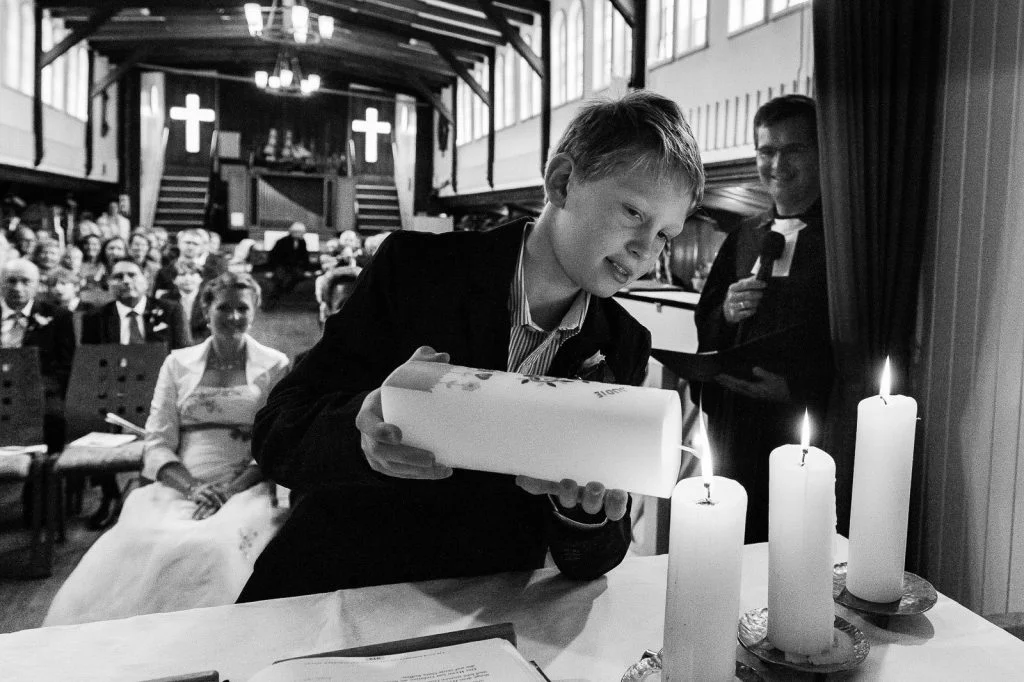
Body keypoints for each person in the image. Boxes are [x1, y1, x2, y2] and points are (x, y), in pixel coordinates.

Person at [237, 91, 705, 601]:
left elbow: (594, 558)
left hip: (487, 611)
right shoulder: (419, 270)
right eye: (634, 213)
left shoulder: (622, 342)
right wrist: (362, 433)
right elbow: (278, 432)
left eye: (665, 235)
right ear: (563, 182)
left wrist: (580, 512)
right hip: (344, 584)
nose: (645, 251)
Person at [44, 273, 291, 626]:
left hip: (246, 483)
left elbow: (275, 441)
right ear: (207, 310)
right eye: (224, 307)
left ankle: (210, 635)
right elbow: (158, 440)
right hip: (182, 482)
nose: (234, 317)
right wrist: (194, 488)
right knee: (144, 539)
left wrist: (230, 488)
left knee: (216, 546)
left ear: (255, 312)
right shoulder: (178, 363)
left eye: (242, 308)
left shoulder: (274, 364)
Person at [693, 95, 834, 543]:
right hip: (736, 422)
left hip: (798, 424)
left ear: (821, 152)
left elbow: (855, 340)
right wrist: (726, 312)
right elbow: (708, 318)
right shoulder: (745, 234)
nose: (777, 163)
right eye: (766, 151)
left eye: (793, 150)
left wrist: (795, 389)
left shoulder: (841, 238)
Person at [81, 258, 190, 529]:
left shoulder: (170, 311)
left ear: (146, 280)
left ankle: (157, 492)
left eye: (132, 275)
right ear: (109, 284)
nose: (125, 281)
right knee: (89, 414)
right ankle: (109, 496)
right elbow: (91, 367)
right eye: (118, 276)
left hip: (160, 393)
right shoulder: (96, 318)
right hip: (112, 395)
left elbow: (183, 357)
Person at [0, 258, 75, 456]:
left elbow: (67, 365)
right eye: (11, 281)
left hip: (40, 389)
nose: (17, 288)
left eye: (25, 282)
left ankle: (47, 478)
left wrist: (38, 388)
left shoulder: (58, 317)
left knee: (55, 416)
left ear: (37, 285)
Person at [153, 228, 227, 295]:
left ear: (201, 247)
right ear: (178, 243)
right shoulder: (165, 271)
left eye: (195, 244)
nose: (191, 247)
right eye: (187, 242)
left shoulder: (212, 273)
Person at [264, 222, 310, 307]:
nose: (303, 234)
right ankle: (272, 301)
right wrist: (270, 270)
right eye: (302, 233)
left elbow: (305, 257)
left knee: (298, 276)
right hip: (282, 266)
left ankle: (283, 295)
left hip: (295, 267)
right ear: (294, 232)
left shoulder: (302, 242)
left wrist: (307, 270)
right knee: (280, 278)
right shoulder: (281, 242)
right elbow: (273, 257)